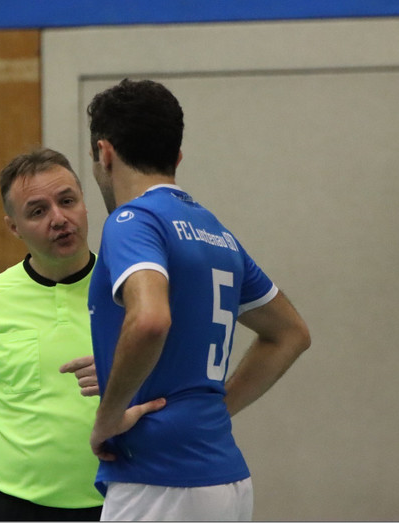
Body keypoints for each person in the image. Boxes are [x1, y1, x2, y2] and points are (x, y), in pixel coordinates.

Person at [82, 78, 311, 520]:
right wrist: (213, 410)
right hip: (226, 479)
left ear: (104, 153)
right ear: (177, 157)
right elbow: (291, 333)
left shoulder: (133, 221)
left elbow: (150, 319)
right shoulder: (215, 232)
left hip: (158, 478)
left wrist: (108, 417)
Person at [0, 148, 105, 521]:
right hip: (15, 508)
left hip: (122, 503)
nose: (59, 219)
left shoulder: (132, 290)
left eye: (67, 201)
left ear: (84, 204)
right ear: (14, 227)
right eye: (38, 211)